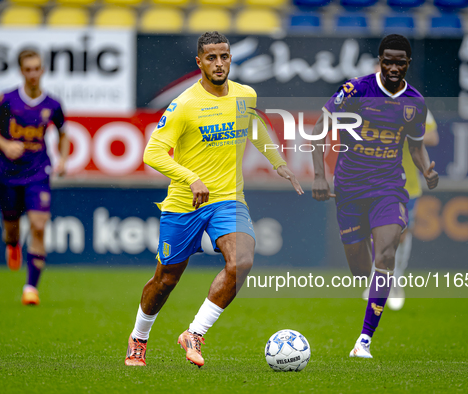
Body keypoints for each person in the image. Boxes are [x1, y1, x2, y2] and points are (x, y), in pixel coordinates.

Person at [124, 31, 303, 368]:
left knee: (242, 261)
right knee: (165, 280)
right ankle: (139, 338)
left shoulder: (244, 95)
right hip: (184, 204)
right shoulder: (184, 105)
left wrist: (278, 162)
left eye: (224, 56)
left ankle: (195, 333)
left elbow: (255, 126)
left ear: (231, 58)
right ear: (199, 62)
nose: (219, 64)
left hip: (228, 200)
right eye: (211, 58)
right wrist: (190, 178)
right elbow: (152, 152)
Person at [310, 34, 439, 358]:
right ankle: (376, 287)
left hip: (388, 187)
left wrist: (425, 169)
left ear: (408, 63)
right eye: (388, 60)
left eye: (400, 61)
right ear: (380, 61)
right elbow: (319, 130)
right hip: (350, 188)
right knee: (360, 268)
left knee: (386, 256)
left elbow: (416, 144)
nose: (393, 67)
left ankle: (364, 341)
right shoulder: (355, 91)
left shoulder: (415, 102)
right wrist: (318, 176)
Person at [0, 49, 69, 306]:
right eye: (28, 69)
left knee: (39, 227)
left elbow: (64, 132)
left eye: (37, 68)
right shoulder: (6, 99)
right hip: (8, 174)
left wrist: (62, 158)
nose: (33, 73)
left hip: (38, 172)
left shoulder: (52, 104)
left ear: (42, 70)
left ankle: (31, 287)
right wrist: (5, 145)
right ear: (22, 71)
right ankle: (13, 245)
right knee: (11, 230)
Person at [387, 109, 439, 311]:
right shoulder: (366, 101)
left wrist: (405, 132)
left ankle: (396, 280)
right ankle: (378, 281)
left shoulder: (414, 105)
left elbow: (433, 136)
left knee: (400, 234)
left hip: (406, 184)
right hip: (373, 181)